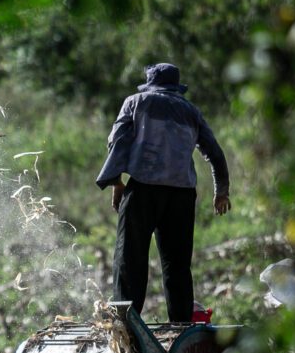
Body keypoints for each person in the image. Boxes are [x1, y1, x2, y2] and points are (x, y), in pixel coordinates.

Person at [95, 62, 231, 323]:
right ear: (175, 86)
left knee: (130, 259)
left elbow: (117, 139)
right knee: (177, 266)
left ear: (150, 83)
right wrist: (221, 192)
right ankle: (180, 327)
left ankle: (125, 324)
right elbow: (214, 152)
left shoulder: (136, 101)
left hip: (144, 189)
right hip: (182, 195)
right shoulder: (191, 111)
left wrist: (116, 182)